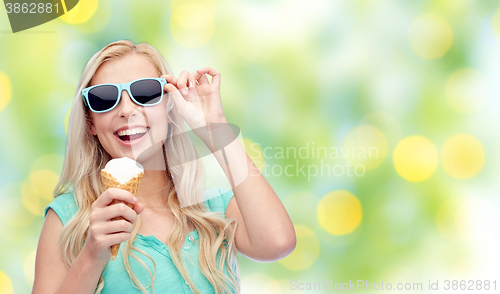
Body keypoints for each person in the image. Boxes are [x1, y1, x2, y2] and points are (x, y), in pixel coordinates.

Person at [32, 40, 296, 294]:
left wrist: (215, 127)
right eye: (104, 98)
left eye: (144, 92)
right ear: (91, 122)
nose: (126, 110)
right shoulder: (69, 218)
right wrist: (91, 255)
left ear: (169, 109)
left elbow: (278, 243)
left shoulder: (215, 211)